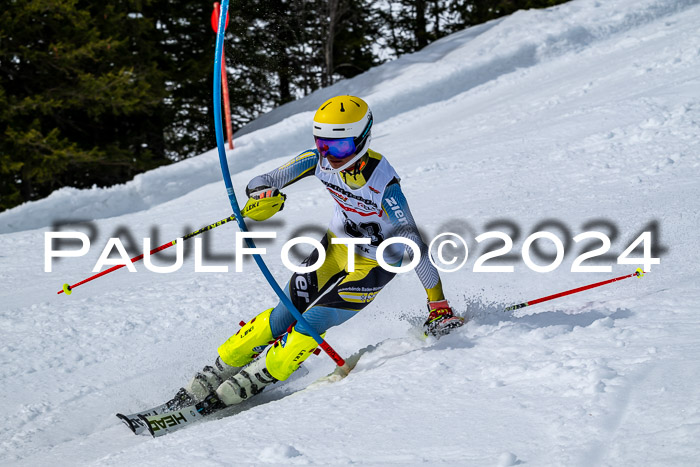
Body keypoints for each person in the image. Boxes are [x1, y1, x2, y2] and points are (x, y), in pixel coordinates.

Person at [170, 95, 464, 411]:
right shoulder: (317, 160)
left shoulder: (384, 185)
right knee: (284, 313)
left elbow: (413, 246)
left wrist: (438, 304)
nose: (329, 156)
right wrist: (264, 194)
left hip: (376, 264)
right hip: (335, 248)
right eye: (323, 144)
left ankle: (253, 380)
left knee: (310, 322)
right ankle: (213, 373)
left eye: (338, 147)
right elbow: (263, 180)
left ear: (362, 139)